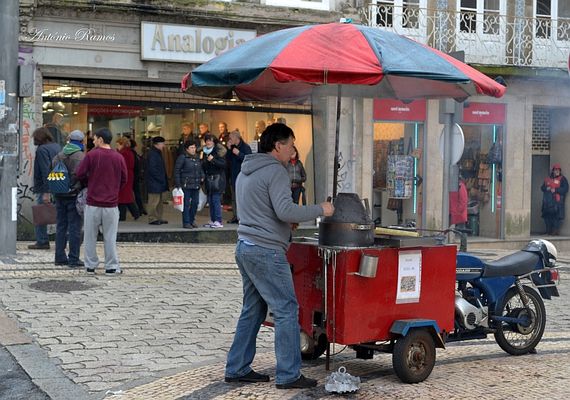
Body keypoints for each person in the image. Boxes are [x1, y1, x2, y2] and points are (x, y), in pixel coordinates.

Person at [224, 123, 334, 389]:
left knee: (253, 308)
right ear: (278, 146)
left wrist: (284, 224)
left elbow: (261, 210)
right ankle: (289, 374)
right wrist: (321, 209)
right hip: (265, 251)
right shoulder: (276, 171)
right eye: (291, 144)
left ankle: (237, 367)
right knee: (287, 309)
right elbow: (285, 210)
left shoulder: (246, 170)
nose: (293, 150)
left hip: (245, 246)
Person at [75, 128, 127, 275]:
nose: (93, 140)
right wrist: (114, 189)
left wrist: (90, 182)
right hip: (111, 204)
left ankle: (90, 266)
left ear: (101, 140)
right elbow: (124, 179)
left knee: (90, 236)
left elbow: (80, 173)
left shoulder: (92, 155)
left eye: (95, 138)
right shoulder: (118, 157)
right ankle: (111, 266)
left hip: (92, 202)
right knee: (110, 237)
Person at [52, 129, 85, 267]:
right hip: (74, 195)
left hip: (59, 195)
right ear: (81, 142)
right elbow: (83, 175)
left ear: (69, 140)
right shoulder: (80, 156)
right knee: (74, 228)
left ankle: (59, 257)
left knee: (60, 226)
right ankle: (73, 258)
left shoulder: (59, 155)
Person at [29, 127, 61, 250]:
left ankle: (42, 241)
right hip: (58, 184)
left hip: (45, 187)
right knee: (60, 214)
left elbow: (45, 170)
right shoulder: (57, 147)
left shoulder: (42, 150)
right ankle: (63, 239)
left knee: (40, 214)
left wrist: (46, 192)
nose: (34, 140)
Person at [174, 139, 204, 229]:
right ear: (187, 149)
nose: (193, 149)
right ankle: (186, 222)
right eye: (191, 148)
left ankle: (192, 220)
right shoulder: (182, 157)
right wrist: (178, 184)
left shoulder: (197, 157)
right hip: (186, 184)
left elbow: (200, 169)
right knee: (186, 204)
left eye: (194, 147)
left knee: (195, 203)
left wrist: (202, 175)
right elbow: (177, 170)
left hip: (196, 184)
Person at [201, 134, 227, 228]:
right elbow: (204, 165)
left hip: (218, 179)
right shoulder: (204, 151)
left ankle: (218, 221)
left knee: (216, 200)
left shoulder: (218, 151)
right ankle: (213, 220)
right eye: (207, 140)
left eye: (210, 141)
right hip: (209, 178)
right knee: (210, 200)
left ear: (214, 142)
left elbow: (223, 164)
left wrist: (213, 160)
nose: (208, 142)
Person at [226, 129, 252, 223]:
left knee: (242, 198)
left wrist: (239, 154)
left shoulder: (245, 147)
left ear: (237, 138)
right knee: (234, 198)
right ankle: (235, 216)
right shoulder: (232, 147)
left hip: (243, 177)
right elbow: (227, 160)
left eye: (231, 138)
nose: (230, 140)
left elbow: (249, 160)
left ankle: (244, 217)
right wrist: (229, 150)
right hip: (233, 176)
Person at [145, 136, 170, 225]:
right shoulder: (153, 154)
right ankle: (152, 218)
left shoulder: (157, 153)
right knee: (153, 201)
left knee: (159, 202)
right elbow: (152, 169)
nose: (163, 145)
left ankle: (158, 217)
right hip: (154, 182)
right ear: (158, 144)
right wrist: (160, 178)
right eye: (162, 143)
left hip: (157, 182)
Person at [116, 137, 140, 221]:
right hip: (129, 175)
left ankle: (124, 215)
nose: (117, 146)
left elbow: (121, 165)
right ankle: (135, 213)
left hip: (125, 175)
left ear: (122, 144)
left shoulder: (123, 153)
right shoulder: (129, 152)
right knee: (126, 195)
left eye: (118, 144)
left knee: (123, 195)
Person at [541, 163, 568, 235]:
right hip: (547, 202)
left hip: (557, 202)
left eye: (558, 170)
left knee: (557, 217)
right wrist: (547, 188)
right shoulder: (548, 179)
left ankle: (555, 231)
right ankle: (548, 231)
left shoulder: (562, 179)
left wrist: (556, 190)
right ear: (552, 170)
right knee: (547, 216)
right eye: (555, 170)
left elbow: (565, 189)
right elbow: (542, 188)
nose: (557, 171)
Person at [129, 139, 147, 216]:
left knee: (133, 194)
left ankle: (138, 210)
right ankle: (140, 208)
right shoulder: (134, 154)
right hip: (136, 176)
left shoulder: (131, 153)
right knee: (137, 193)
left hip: (133, 176)